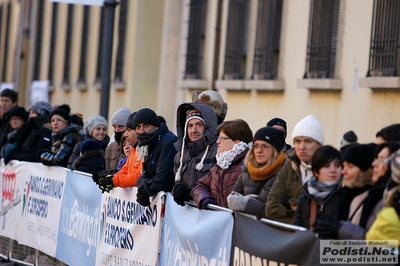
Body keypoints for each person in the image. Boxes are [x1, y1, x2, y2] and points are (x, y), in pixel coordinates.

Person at [266, 114, 324, 224]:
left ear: (319, 144)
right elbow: (271, 208)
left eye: (308, 141)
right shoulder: (290, 165)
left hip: (321, 240)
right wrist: (300, 216)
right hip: (291, 236)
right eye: (298, 141)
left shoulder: (330, 169)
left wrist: (290, 204)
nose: (302, 147)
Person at [313, 143, 377, 239]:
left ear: (367, 171)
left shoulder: (377, 199)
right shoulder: (347, 195)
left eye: (350, 167)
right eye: (344, 166)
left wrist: (340, 230)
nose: (343, 172)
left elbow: (383, 248)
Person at [192, 119, 253, 209]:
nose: (218, 141)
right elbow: (200, 185)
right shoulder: (220, 164)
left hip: (238, 221)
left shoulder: (249, 165)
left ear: (237, 141)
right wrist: (205, 198)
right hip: (221, 220)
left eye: (222, 138)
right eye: (218, 137)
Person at [227, 127, 286, 218]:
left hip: (271, 230)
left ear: (276, 150)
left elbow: (282, 212)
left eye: (265, 146)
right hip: (246, 228)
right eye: (256, 146)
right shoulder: (246, 171)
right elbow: (234, 199)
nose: (259, 151)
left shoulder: (286, 174)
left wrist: (246, 204)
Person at [172, 102, 219, 206]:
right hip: (186, 216)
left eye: (199, 125)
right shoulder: (180, 156)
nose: (194, 130)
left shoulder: (218, 152)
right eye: (190, 126)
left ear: (207, 127)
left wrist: (190, 193)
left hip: (209, 215)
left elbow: (218, 190)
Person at [293, 145, 345, 232]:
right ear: (316, 172)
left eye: (337, 165)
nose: (333, 170)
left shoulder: (345, 196)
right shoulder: (305, 198)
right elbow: (296, 231)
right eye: (327, 166)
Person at [133, 108, 178, 206]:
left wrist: (145, 190)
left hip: (171, 203)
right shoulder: (148, 142)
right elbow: (145, 175)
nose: (141, 131)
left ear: (156, 126)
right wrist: (143, 186)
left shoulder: (168, 142)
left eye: (146, 125)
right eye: (138, 127)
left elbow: (163, 178)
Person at [96, 112, 143, 192]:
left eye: (128, 130)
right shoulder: (134, 149)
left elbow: (138, 177)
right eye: (114, 127)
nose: (125, 134)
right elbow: (125, 169)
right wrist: (111, 178)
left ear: (138, 130)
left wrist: (113, 181)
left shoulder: (145, 149)